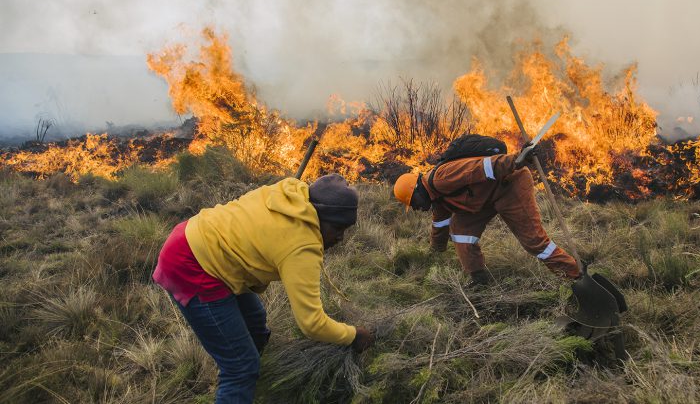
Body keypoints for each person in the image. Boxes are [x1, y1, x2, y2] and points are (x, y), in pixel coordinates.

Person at [152, 173, 375, 403]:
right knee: (240, 368)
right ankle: (239, 387)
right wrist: (353, 335)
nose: (341, 237)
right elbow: (312, 324)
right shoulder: (301, 246)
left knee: (256, 324)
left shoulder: (291, 194)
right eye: (337, 227)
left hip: (197, 236)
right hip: (192, 265)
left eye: (346, 229)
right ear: (319, 215)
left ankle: (256, 390)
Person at [392, 151, 580, 286]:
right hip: (486, 199)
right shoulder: (438, 199)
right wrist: (435, 252)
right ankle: (479, 279)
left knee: (534, 242)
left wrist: (515, 161)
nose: (417, 208)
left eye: (413, 202)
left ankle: (575, 275)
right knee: (460, 230)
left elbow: (482, 167)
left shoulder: (441, 178)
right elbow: (439, 226)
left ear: (416, 190)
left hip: (509, 184)